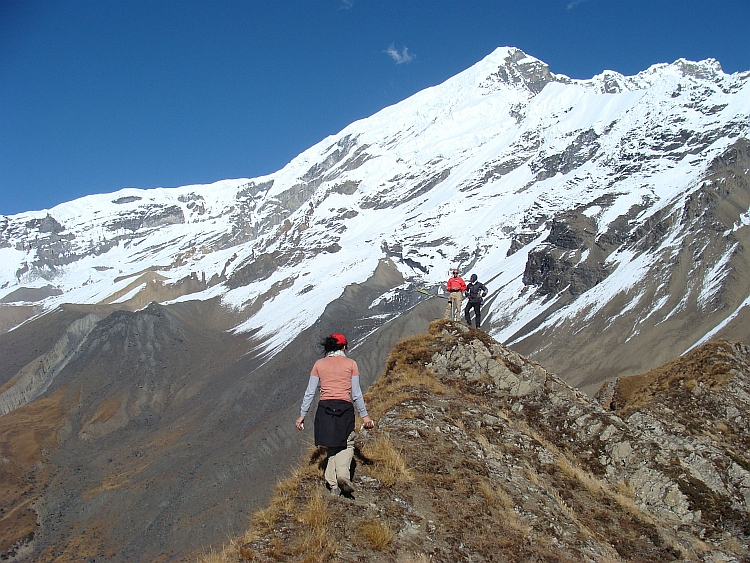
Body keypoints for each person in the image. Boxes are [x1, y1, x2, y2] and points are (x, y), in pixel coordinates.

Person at [296, 333, 374, 497]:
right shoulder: (351, 364)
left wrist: (302, 415)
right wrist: (365, 416)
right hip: (344, 408)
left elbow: (310, 393)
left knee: (332, 446)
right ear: (344, 347)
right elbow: (356, 393)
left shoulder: (319, 364)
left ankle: (333, 486)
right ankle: (343, 476)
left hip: (324, 408)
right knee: (347, 443)